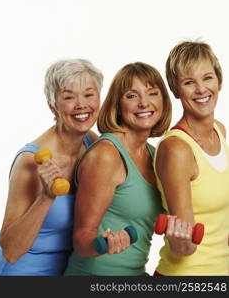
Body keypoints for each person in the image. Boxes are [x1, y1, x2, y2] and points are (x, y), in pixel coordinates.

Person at [0, 59, 103, 275]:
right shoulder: (30, 161)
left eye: (89, 94)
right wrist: (46, 197)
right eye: (69, 97)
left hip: (67, 271)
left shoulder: (91, 143)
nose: (81, 105)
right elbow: (11, 251)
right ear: (53, 105)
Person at [64, 62, 172, 276]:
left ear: (163, 101)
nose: (144, 103)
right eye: (132, 96)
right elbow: (81, 238)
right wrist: (102, 243)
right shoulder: (107, 155)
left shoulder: (154, 155)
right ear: (117, 105)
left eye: (152, 93)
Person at [153, 40, 229, 276]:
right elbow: (184, 247)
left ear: (219, 80)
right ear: (176, 90)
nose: (201, 89)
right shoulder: (177, 149)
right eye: (189, 82)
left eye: (207, 78)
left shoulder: (219, 130)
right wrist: (180, 240)